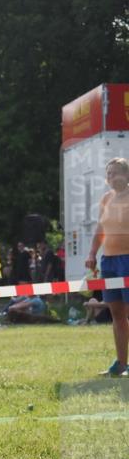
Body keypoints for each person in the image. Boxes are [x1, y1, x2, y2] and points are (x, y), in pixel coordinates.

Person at [86, 157, 129, 376]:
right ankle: (121, 364)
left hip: (128, 260)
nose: (111, 177)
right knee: (117, 314)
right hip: (109, 261)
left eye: (116, 172)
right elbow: (100, 229)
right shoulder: (106, 199)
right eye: (108, 173)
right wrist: (93, 253)